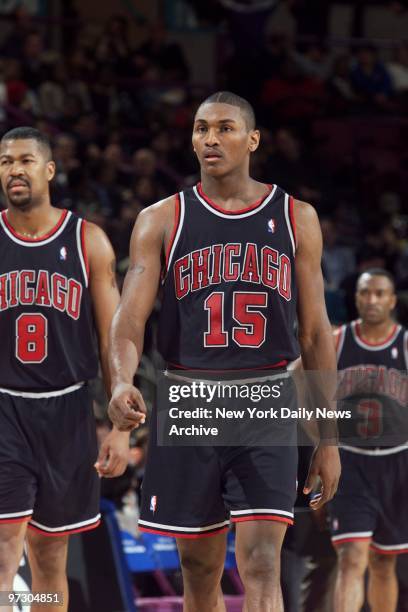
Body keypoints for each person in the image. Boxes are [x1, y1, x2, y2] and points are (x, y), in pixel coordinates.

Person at [108, 91, 341, 611]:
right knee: (199, 567)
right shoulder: (161, 218)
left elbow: (316, 334)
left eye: (225, 128)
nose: (210, 138)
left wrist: (328, 438)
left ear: (253, 139)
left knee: (261, 563)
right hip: (190, 397)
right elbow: (129, 320)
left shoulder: (296, 216)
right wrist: (122, 381)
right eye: (200, 128)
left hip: (266, 398)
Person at [0, 127, 130, 612]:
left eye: (26, 160)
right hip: (5, 406)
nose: (15, 169)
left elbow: (113, 339)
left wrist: (119, 426)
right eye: (6, 161)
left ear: (49, 170)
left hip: (69, 411)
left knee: (51, 561)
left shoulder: (87, 241)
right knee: (4, 546)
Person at [330, 269, 408, 612]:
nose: (372, 300)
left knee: (383, 562)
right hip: (350, 460)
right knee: (350, 557)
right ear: (356, 297)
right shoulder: (337, 340)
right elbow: (295, 380)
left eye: (379, 294)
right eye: (365, 293)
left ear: (392, 300)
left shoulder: (404, 344)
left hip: (398, 460)